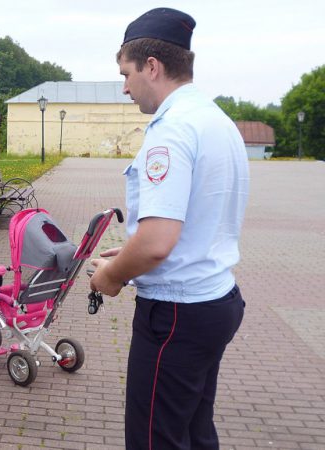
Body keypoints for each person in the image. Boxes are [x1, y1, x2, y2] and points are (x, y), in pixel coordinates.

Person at [90, 8, 249, 450]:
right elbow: (193, 223)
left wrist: (112, 275)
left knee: (154, 440)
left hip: (176, 314)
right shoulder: (216, 120)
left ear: (152, 67)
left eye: (126, 73)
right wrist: (128, 256)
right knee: (195, 433)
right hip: (214, 299)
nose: (124, 86)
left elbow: (158, 243)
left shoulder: (170, 131)